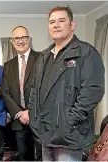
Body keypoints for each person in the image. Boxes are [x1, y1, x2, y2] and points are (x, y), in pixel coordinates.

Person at [28, 6, 105, 161]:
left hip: (69, 136)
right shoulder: (43, 57)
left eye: (61, 21)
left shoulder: (86, 52)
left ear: (72, 25)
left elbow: (93, 90)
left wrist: (69, 122)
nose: (56, 25)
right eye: (52, 22)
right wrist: (34, 118)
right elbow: (34, 91)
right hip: (45, 134)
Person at [1, 26, 41, 161]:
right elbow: (5, 93)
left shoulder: (42, 58)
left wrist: (30, 111)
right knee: (24, 157)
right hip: (19, 121)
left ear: (29, 39)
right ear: (12, 41)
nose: (20, 41)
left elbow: (45, 89)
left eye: (23, 37)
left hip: (40, 118)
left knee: (44, 156)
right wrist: (19, 113)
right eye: (16, 38)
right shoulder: (8, 65)